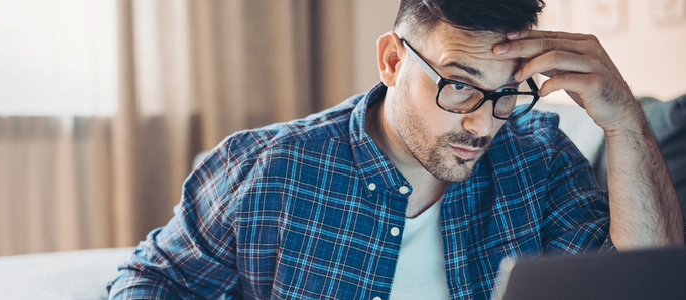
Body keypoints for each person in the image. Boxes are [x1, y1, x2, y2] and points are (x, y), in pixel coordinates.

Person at [108, 0, 685, 299]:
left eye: (507, 91)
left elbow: (644, 282)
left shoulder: (541, 159)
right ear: (391, 61)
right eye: (458, 84)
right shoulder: (265, 168)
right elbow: (153, 277)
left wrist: (624, 119)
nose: (483, 124)